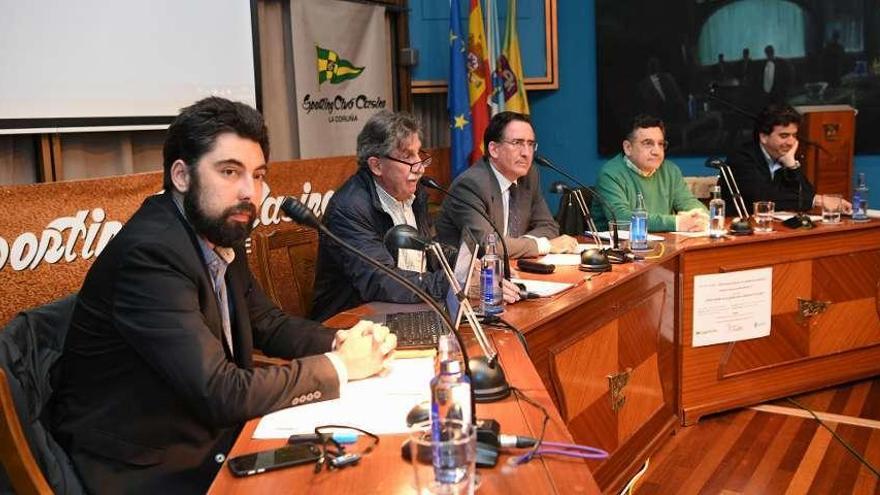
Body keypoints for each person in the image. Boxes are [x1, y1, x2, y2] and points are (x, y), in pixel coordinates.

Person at [49, 97, 396, 494]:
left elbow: (267, 323)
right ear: (181, 175)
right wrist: (339, 366)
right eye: (230, 171)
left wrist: (341, 340)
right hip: (149, 468)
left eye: (259, 174)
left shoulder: (217, 229)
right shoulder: (150, 255)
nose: (250, 191)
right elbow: (220, 391)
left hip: (206, 434)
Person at [311, 111, 521, 322]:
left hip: (403, 310)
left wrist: (470, 267)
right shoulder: (349, 208)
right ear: (376, 165)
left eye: (419, 153)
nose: (419, 167)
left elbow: (429, 249)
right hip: (350, 324)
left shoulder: (413, 192)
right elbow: (382, 281)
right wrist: (458, 282)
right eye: (407, 157)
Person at [435, 111, 578, 258]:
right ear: (494, 150)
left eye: (530, 144)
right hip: (465, 276)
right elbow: (487, 246)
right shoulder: (470, 185)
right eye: (517, 143)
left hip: (511, 268)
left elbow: (549, 226)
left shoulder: (529, 176)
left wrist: (517, 246)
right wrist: (543, 245)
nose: (526, 153)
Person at [725, 104, 853, 213]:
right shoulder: (741, 157)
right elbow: (763, 198)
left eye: (794, 135)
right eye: (784, 135)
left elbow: (807, 193)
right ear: (764, 137)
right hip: (741, 230)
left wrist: (792, 165)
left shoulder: (785, 156)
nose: (791, 142)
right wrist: (818, 200)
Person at [594, 114, 707, 232]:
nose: (656, 151)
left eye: (661, 144)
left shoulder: (670, 170)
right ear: (628, 147)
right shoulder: (610, 174)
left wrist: (701, 217)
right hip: (616, 248)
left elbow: (688, 202)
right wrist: (677, 223)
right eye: (648, 143)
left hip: (663, 245)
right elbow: (622, 220)